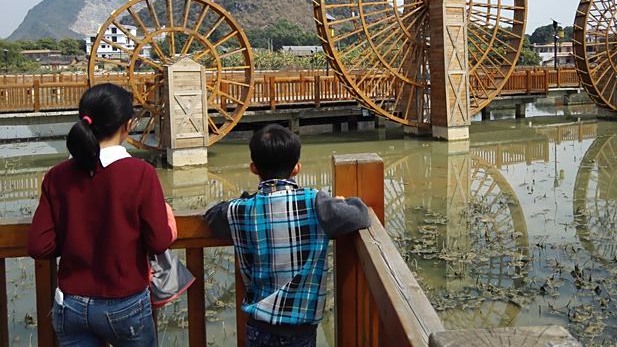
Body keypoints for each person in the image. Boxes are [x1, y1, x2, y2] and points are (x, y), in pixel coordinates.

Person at [28, 83, 175, 347]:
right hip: (125, 303)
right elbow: (158, 242)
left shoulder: (57, 176)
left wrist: (76, 235)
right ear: (128, 125)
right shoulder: (140, 174)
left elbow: (39, 245)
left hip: (70, 304)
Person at [205, 124, 370, 347]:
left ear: (253, 168)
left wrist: (244, 198)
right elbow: (360, 215)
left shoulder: (239, 210)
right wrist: (342, 202)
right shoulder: (315, 203)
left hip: (257, 328)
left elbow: (212, 216)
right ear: (296, 169)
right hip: (300, 330)